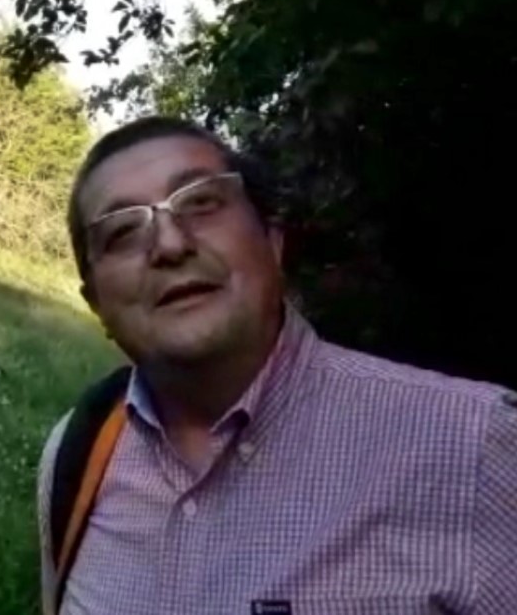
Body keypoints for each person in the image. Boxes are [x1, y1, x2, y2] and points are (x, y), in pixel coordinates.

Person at [38, 116, 517, 615]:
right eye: (122, 232)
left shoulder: (477, 449)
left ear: (272, 240)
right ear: (97, 304)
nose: (171, 245)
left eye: (201, 203)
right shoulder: (77, 454)